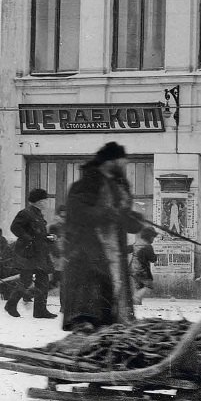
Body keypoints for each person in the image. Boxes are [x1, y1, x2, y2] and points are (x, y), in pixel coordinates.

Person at [60, 141, 145, 333]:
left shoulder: (118, 186)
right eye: (122, 162)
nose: (125, 166)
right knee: (91, 308)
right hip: (88, 252)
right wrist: (109, 213)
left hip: (113, 253)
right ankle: (86, 326)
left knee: (113, 310)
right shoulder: (85, 185)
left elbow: (121, 215)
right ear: (110, 161)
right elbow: (78, 213)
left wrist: (134, 221)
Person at [7, 187, 56, 319]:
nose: (47, 203)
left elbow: (38, 233)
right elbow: (15, 228)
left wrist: (48, 237)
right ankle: (11, 304)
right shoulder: (26, 213)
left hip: (39, 252)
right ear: (39, 201)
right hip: (28, 253)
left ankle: (40, 310)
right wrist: (29, 239)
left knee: (43, 280)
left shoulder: (38, 214)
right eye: (45, 200)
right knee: (26, 280)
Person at [130, 227, 158, 303]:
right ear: (149, 237)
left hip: (133, 269)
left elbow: (129, 249)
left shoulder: (136, 244)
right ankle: (136, 298)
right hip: (142, 270)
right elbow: (152, 259)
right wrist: (156, 257)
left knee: (139, 286)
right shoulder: (148, 247)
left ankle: (137, 303)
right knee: (149, 285)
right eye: (153, 238)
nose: (153, 239)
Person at [47, 206, 68, 289]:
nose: (63, 218)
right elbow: (50, 242)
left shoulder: (66, 226)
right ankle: (29, 294)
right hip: (57, 257)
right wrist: (56, 254)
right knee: (56, 280)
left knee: (58, 281)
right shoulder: (53, 227)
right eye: (62, 216)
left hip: (63, 257)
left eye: (65, 216)